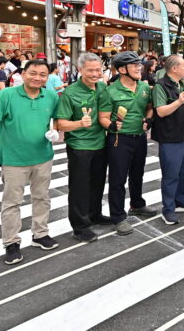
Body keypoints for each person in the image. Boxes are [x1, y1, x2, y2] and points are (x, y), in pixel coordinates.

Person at [0, 59, 59, 265]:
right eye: (33, 73)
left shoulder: (50, 96)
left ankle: (40, 234)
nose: (37, 77)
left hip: (43, 157)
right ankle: (11, 242)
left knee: (42, 197)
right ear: (23, 73)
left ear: (47, 77)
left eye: (42, 74)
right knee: (12, 202)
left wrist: (54, 131)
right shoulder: (7, 95)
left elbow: (55, 120)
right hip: (14, 160)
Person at [98, 51, 156, 236]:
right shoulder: (110, 91)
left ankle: (137, 205)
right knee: (118, 179)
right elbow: (103, 118)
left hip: (139, 138)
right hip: (118, 140)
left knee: (137, 174)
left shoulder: (145, 88)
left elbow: (148, 107)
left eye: (140, 64)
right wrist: (112, 125)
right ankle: (118, 216)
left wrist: (148, 120)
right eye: (135, 65)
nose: (140, 68)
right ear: (122, 69)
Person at [55, 52, 111, 242]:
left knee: (97, 182)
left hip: (100, 143)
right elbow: (60, 124)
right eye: (90, 70)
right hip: (79, 145)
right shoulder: (70, 93)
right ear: (80, 70)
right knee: (79, 187)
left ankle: (95, 214)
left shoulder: (102, 87)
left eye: (98, 70)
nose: (95, 74)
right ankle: (79, 226)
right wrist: (79, 124)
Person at [152, 55, 184, 225]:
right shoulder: (160, 86)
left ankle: (180, 200)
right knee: (171, 173)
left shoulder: (180, 84)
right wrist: (179, 101)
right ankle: (168, 209)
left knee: (183, 171)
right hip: (170, 136)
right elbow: (161, 111)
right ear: (174, 68)